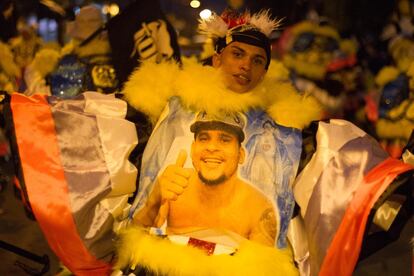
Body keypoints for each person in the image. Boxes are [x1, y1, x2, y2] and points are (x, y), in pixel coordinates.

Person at [114, 8, 413, 276]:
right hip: (160, 266)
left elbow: (341, 172)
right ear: (218, 57)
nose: (247, 65)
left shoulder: (286, 131)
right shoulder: (169, 109)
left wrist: (393, 177)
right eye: (238, 54)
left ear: (241, 153)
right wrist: (155, 197)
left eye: (258, 60)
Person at [134, 112, 277, 247]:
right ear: (192, 149)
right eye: (204, 138)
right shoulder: (174, 185)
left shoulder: (260, 209)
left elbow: (263, 268)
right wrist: (154, 201)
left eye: (224, 140)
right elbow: (133, 241)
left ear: (241, 155)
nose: (212, 147)